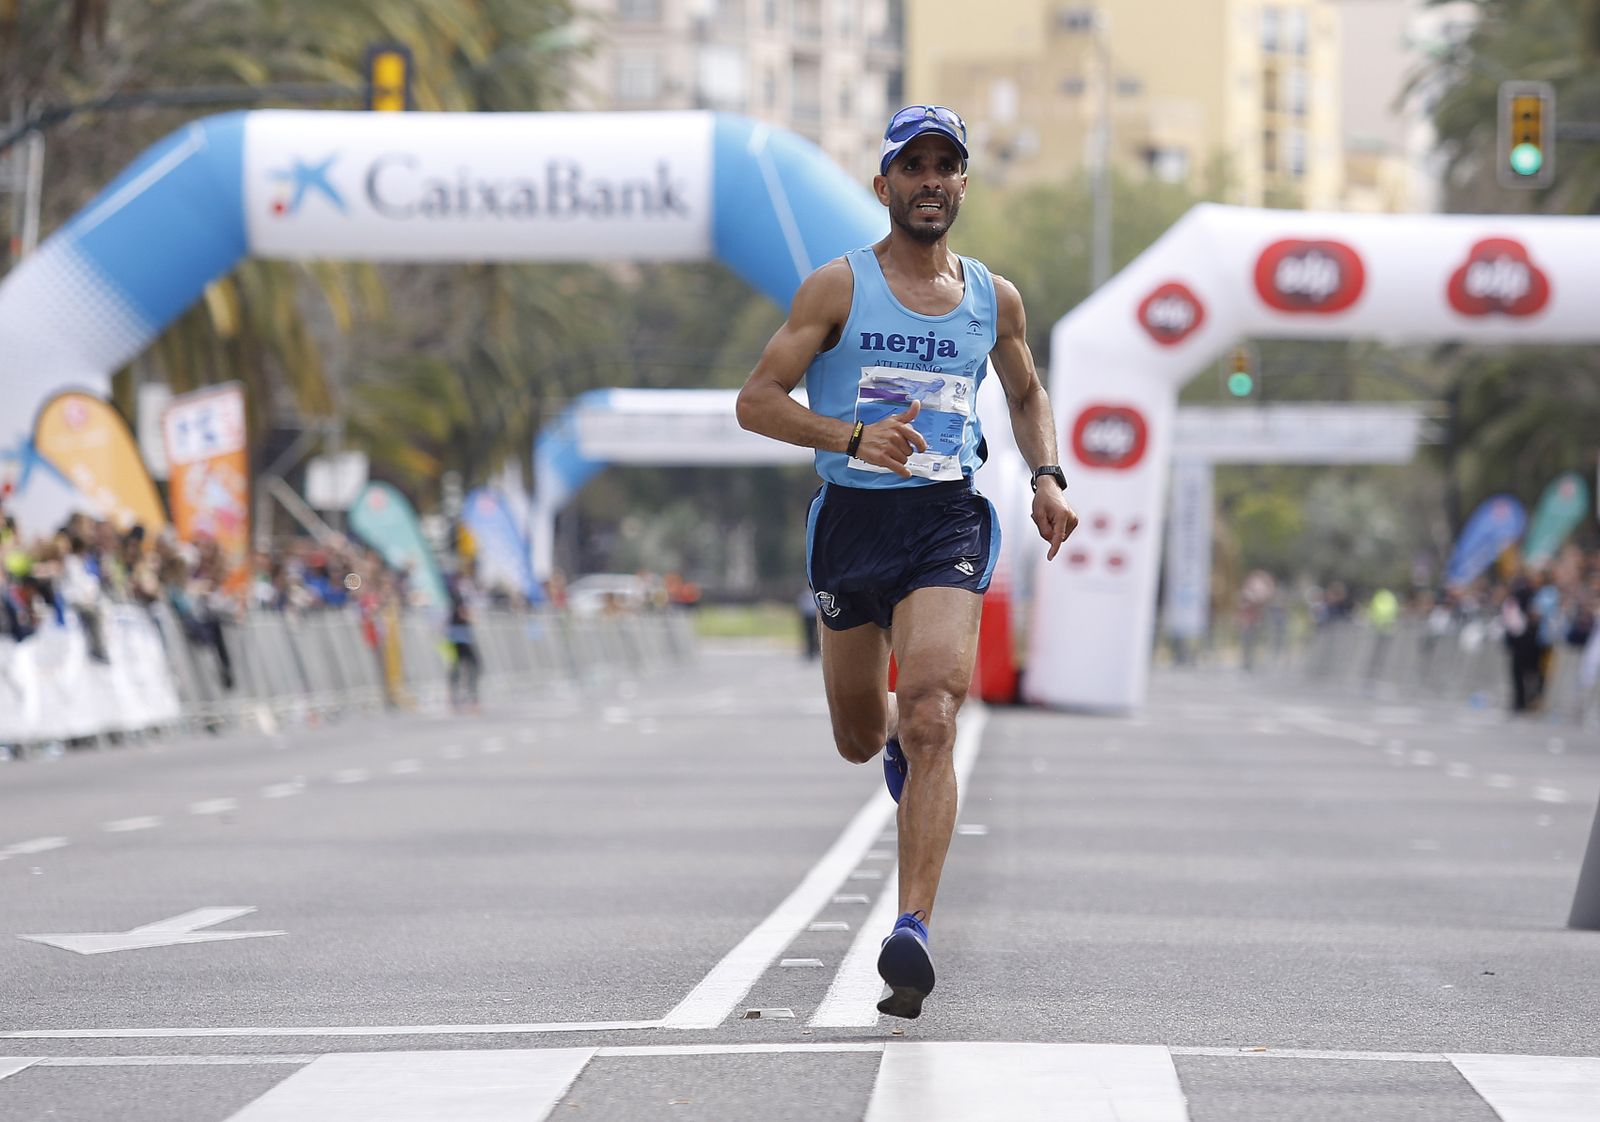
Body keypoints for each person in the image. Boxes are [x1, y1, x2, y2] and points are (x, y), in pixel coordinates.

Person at [735, 104, 1078, 1019]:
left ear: (962, 184)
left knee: (931, 714)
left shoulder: (991, 299)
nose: (931, 180)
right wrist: (850, 434)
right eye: (913, 166)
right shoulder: (835, 290)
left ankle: (912, 933)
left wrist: (1045, 475)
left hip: (946, 518)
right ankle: (894, 748)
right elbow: (757, 401)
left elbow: (1027, 389)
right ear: (884, 184)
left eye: (946, 166)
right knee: (863, 735)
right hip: (851, 523)